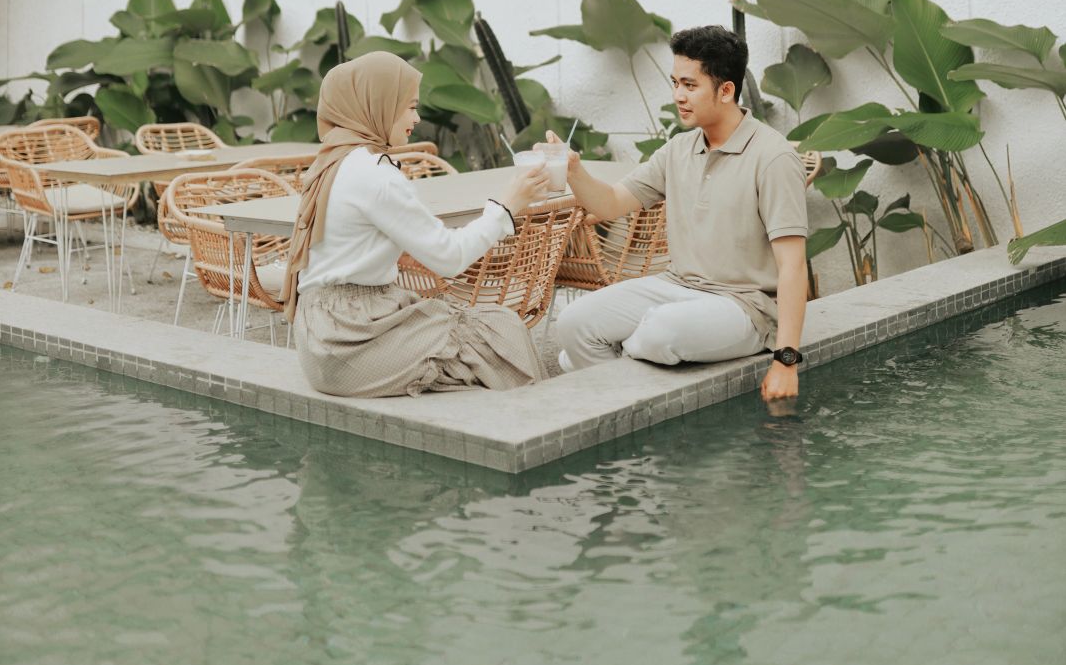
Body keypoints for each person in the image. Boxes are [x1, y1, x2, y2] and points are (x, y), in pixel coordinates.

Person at [551, 25, 809, 405]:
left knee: (660, 330)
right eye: (675, 83)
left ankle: (606, 385)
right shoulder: (678, 150)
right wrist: (573, 169)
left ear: (726, 90)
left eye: (689, 85)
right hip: (677, 285)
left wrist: (786, 361)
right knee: (574, 322)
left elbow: (793, 266)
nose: (678, 96)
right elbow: (610, 203)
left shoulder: (774, 158)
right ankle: (627, 410)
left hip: (745, 306)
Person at [282, 52, 551, 398]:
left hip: (322, 333)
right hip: (350, 340)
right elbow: (449, 258)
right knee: (501, 333)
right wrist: (508, 206)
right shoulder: (374, 175)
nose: (417, 117)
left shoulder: (334, 161)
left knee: (481, 326)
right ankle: (537, 418)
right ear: (379, 104)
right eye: (409, 106)